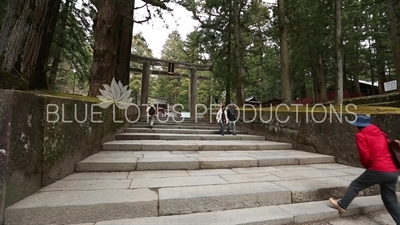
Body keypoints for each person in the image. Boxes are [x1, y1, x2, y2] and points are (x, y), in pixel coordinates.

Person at [329, 115, 400, 224]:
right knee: (390, 200)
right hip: (393, 171)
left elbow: (364, 155)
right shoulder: (381, 134)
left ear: (358, 126)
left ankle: (342, 204)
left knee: (356, 185)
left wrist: (368, 166)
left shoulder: (361, 135)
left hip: (379, 168)